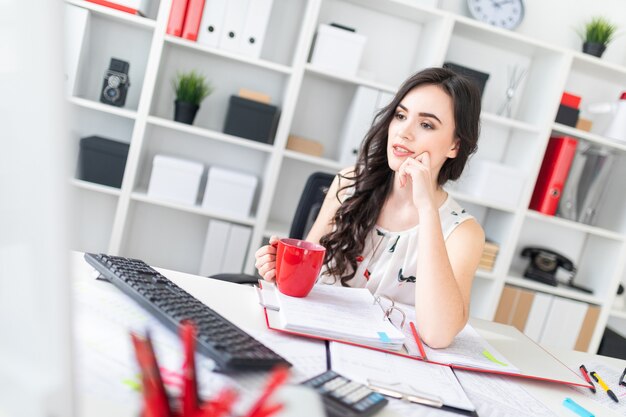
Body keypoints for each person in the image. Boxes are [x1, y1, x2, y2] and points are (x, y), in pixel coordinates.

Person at [255, 67, 485, 348]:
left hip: (388, 365)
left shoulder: (463, 233)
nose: (404, 131)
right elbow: (302, 279)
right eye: (400, 116)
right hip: (313, 342)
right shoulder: (348, 185)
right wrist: (279, 268)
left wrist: (426, 208)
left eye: (426, 125)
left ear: (454, 146)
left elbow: (437, 336)